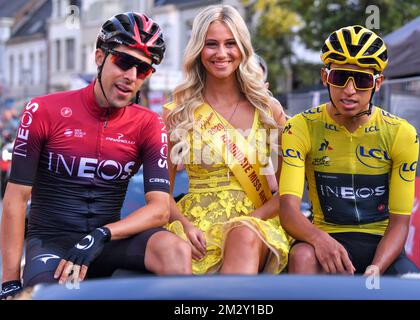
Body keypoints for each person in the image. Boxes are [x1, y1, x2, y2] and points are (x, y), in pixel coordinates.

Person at [1, 12, 191, 300]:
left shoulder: (149, 124)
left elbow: (160, 209)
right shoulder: (42, 110)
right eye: (124, 62)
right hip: (53, 244)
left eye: (142, 70)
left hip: (107, 241)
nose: (130, 77)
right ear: (100, 57)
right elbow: (15, 199)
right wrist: (9, 281)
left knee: (175, 249)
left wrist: (101, 235)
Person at [279, 25, 420, 276]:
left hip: (381, 244)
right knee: (302, 256)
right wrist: (319, 239)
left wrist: (376, 267)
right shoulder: (300, 127)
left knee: (413, 282)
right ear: (325, 78)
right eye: (340, 78)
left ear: (378, 83)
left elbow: (400, 224)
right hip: (326, 235)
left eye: (363, 80)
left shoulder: (402, 133)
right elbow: (289, 211)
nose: (350, 90)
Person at [163, 5, 290, 274]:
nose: (221, 53)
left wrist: (250, 220)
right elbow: (162, 192)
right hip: (195, 231)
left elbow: (289, 191)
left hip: (255, 226)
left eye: (230, 43)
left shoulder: (269, 111)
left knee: (242, 237)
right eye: (211, 44)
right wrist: (185, 226)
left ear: (242, 48)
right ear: (198, 49)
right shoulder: (178, 114)